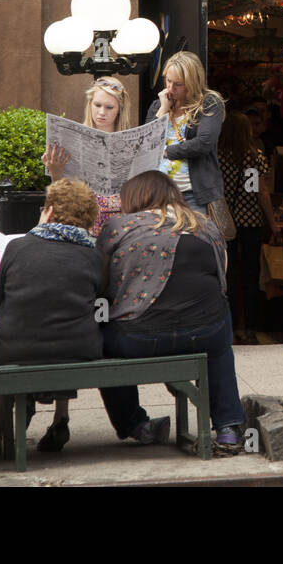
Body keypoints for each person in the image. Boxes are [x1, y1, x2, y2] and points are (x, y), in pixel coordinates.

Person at [96, 171, 246, 451]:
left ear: (135, 198)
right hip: (205, 333)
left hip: (137, 340)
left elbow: (101, 284)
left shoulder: (118, 226)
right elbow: (221, 282)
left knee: (103, 341)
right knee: (220, 336)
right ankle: (228, 427)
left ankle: (136, 425)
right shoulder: (205, 224)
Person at [0, 179, 104, 456]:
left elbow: (2, 307)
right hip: (78, 348)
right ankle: (61, 418)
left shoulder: (18, 247)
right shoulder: (92, 254)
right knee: (68, 330)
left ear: (48, 211)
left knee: (14, 338)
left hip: (16, 347)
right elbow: (98, 304)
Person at [217, 110, 281, 342]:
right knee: (252, 274)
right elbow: (260, 192)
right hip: (251, 221)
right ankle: (251, 326)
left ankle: (232, 325)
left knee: (228, 273)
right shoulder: (255, 156)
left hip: (226, 221)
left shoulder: (217, 156)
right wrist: (273, 223)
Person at [44, 75, 135, 235]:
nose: (101, 112)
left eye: (109, 107)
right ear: (90, 104)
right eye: (97, 105)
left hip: (121, 223)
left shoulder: (131, 144)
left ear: (119, 109)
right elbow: (64, 200)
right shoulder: (73, 139)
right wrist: (55, 171)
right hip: (85, 221)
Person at [150, 51, 225, 214]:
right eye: (168, 81)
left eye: (178, 84)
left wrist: (167, 152)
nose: (170, 88)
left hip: (193, 194)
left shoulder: (209, 103)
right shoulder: (159, 105)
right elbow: (146, 143)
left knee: (195, 238)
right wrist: (163, 109)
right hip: (159, 193)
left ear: (192, 82)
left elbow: (203, 143)